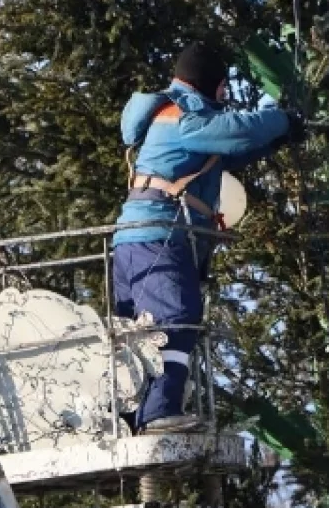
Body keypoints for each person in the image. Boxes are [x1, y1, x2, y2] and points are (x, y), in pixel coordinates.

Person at [112, 41, 304, 432]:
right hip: (158, 235)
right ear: (210, 84)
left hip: (136, 238)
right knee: (175, 319)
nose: (225, 95)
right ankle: (158, 412)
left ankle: (131, 415)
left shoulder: (178, 120)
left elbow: (231, 150)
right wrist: (283, 120)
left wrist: (277, 136)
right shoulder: (182, 117)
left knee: (138, 331)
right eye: (222, 87)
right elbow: (235, 131)